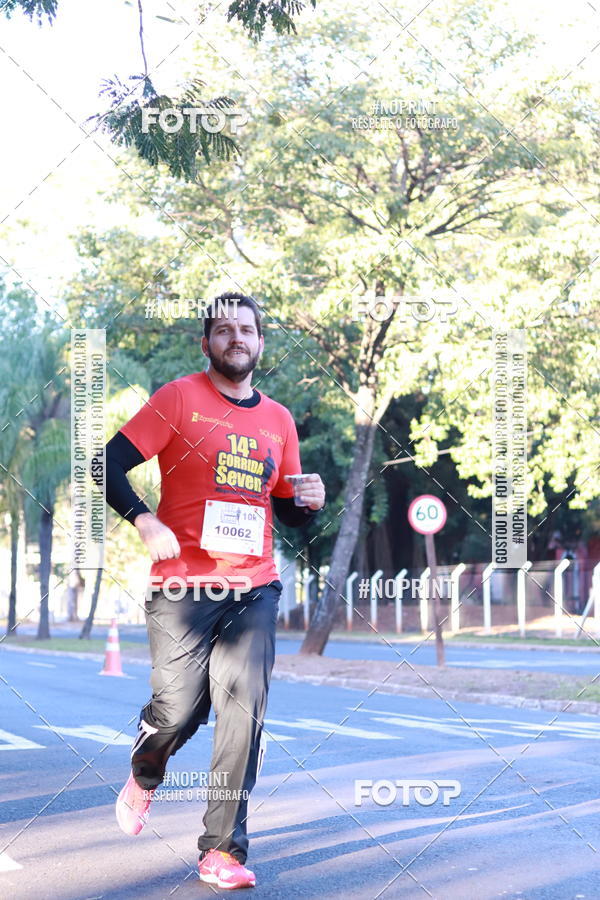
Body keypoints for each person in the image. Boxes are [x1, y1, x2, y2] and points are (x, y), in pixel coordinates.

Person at [99, 293, 325, 890]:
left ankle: (222, 849)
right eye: (223, 330)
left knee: (242, 711)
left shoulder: (278, 420)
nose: (236, 338)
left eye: (246, 329)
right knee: (181, 708)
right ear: (207, 343)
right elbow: (106, 463)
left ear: (260, 342)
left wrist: (308, 503)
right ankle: (146, 772)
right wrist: (144, 519)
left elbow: (287, 508)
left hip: (254, 586)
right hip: (184, 585)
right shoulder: (178, 398)